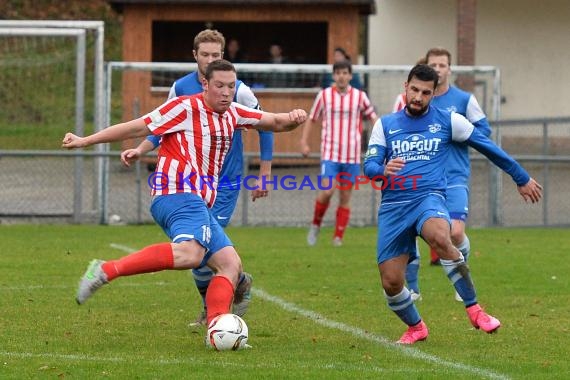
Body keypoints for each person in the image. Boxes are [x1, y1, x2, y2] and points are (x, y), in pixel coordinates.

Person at [63, 60, 307, 334]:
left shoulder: (234, 114)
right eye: (219, 86)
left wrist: (294, 118)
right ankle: (105, 270)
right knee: (191, 253)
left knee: (230, 265)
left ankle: (217, 328)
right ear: (205, 84)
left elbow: (275, 122)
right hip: (175, 190)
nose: (226, 92)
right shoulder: (184, 107)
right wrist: (85, 140)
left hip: (197, 200)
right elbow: (136, 127)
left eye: (230, 86)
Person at [363, 64, 542, 344]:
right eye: (414, 90)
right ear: (405, 88)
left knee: (440, 236)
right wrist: (381, 168)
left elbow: (488, 146)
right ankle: (416, 327)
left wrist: (520, 177)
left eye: (425, 92)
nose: (418, 97)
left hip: (428, 198)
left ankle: (475, 310)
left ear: (434, 94)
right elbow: (369, 165)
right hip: (394, 207)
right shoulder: (385, 124)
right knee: (391, 282)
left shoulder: (450, 120)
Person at [120, 29, 274, 326]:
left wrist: (264, 174)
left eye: (216, 55)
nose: (210, 59)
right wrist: (140, 149)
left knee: (201, 251)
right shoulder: (180, 88)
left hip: (224, 183)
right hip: (188, 185)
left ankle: (218, 304)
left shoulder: (237, 89)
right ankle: (229, 292)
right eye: (205, 54)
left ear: (223, 55)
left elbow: (266, 126)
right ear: (195, 56)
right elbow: (160, 125)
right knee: (201, 251)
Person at [404, 47, 492, 303]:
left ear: (449, 69)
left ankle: (461, 275)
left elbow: (483, 131)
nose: (438, 69)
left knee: (454, 232)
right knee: (411, 232)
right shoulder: (419, 99)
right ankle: (413, 288)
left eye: (443, 65)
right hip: (421, 178)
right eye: (434, 65)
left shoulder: (464, 100)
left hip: (454, 176)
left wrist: (459, 134)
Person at [300, 60, 378, 247]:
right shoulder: (324, 96)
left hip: (351, 154)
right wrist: (304, 142)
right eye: (338, 73)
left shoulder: (360, 96)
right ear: (334, 76)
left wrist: (381, 138)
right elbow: (312, 119)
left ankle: (337, 238)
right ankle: (316, 225)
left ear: (350, 75)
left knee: (345, 197)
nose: (342, 76)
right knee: (327, 191)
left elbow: (373, 117)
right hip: (330, 153)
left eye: (345, 73)